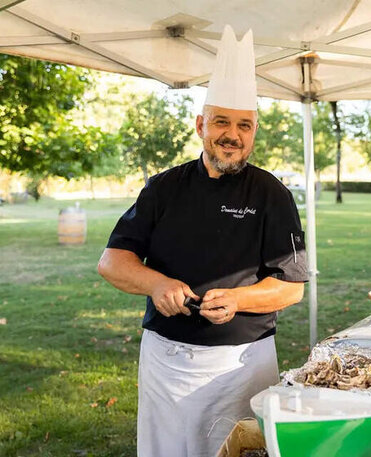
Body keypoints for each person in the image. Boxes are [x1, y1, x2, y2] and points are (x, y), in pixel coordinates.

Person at [97, 25, 308, 457]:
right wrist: (157, 284)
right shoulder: (163, 188)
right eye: (222, 122)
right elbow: (112, 261)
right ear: (200, 125)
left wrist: (238, 299)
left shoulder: (273, 195)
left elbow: (292, 286)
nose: (233, 134)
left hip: (242, 364)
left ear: (253, 133)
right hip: (165, 361)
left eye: (244, 125)